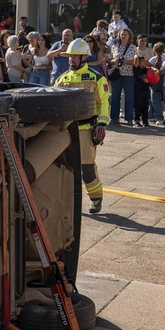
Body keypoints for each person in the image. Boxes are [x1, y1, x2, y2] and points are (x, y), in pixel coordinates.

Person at [55, 39, 110, 214]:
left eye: (75, 56)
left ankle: (96, 198)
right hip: (65, 130)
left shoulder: (97, 78)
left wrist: (102, 124)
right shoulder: (62, 79)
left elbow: (104, 102)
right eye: (70, 56)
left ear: (84, 57)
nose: (71, 60)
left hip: (86, 129)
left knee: (87, 167)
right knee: (66, 168)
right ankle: (70, 201)